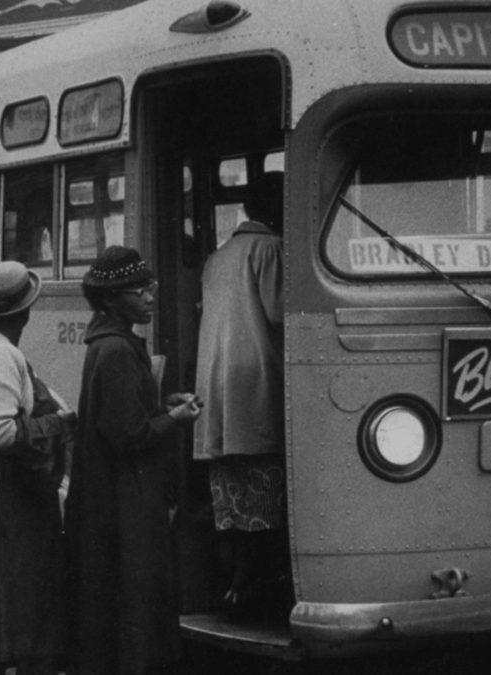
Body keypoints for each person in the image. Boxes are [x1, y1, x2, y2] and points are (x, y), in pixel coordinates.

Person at [66, 245, 202, 675]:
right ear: (111, 299)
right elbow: (128, 435)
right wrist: (175, 418)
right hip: (127, 501)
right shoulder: (119, 350)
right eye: (138, 290)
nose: (149, 296)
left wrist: (162, 403)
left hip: (112, 497)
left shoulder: (106, 344)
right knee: (135, 604)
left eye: (150, 287)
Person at [0, 260, 75, 675]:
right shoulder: (2, 356)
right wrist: (60, 422)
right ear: (26, 311)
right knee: (12, 631)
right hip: (2, 511)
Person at [192, 171, 290, 617]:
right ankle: (254, 587)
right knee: (265, 491)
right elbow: (279, 313)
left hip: (216, 383)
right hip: (256, 382)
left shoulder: (218, 256)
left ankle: (233, 583)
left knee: (230, 495)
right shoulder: (270, 249)